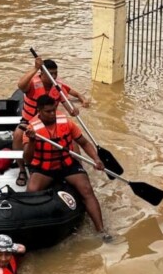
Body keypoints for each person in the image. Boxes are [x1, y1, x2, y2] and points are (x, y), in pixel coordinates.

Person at [23, 95, 109, 240]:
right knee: (31, 193)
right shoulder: (31, 128)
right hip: (45, 168)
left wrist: (96, 159)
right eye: (48, 112)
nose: (52, 114)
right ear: (39, 111)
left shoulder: (66, 123)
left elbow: (84, 143)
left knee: (87, 190)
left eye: (53, 110)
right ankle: (30, 231)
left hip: (67, 164)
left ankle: (102, 231)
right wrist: (32, 140)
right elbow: (27, 158)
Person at [13, 57, 88, 187]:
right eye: (50, 73)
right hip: (30, 120)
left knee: (72, 138)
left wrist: (73, 109)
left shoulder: (57, 86)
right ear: (41, 73)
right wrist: (36, 67)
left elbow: (66, 99)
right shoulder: (32, 84)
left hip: (50, 119)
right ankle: (21, 170)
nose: (53, 76)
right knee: (18, 135)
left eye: (55, 73)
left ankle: (78, 168)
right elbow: (20, 85)